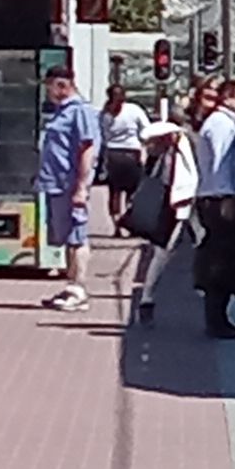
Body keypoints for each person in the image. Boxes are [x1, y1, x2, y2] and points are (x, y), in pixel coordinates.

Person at [188, 77, 235, 339]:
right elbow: (219, 165)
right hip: (220, 201)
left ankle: (220, 317)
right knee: (222, 261)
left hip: (224, 198)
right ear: (227, 97)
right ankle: (216, 321)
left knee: (227, 258)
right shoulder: (221, 125)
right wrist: (228, 197)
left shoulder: (229, 124)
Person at [35, 65, 103, 312]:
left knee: (77, 235)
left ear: (62, 85)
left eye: (50, 87)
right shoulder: (61, 112)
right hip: (56, 184)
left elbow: (87, 149)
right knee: (65, 236)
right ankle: (70, 286)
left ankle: (79, 287)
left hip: (69, 183)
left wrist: (82, 187)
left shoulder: (80, 112)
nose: (49, 93)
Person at [99, 82, 149, 230]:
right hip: (132, 153)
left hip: (113, 154)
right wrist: (142, 142)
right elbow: (146, 129)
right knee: (132, 191)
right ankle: (129, 222)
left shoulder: (105, 113)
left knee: (114, 191)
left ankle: (116, 225)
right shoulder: (134, 110)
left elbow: (103, 134)